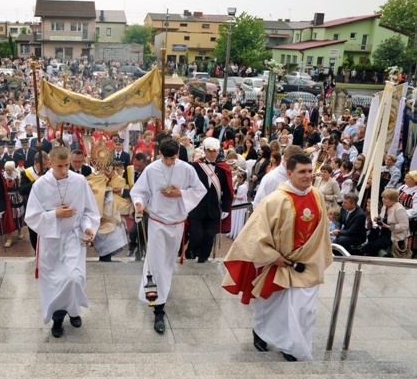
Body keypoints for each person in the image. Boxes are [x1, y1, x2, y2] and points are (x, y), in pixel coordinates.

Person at [222, 153, 333, 362]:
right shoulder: (275, 199)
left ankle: (294, 347)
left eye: (310, 171)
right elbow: (254, 233)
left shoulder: (317, 195)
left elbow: (322, 229)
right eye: (302, 172)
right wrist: (272, 256)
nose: (308, 176)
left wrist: (318, 255)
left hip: (308, 263)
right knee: (273, 305)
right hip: (279, 262)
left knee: (304, 309)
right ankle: (261, 332)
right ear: (289, 174)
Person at [130, 138, 206, 334]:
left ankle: (158, 295)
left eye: (173, 159)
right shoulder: (152, 169)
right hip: (157, 223)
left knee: (167, 264)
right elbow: (140, 192)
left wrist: (181, 193)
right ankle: (158, 310)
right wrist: (139, 203)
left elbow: (200, 190)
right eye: (166, 159)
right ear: (160, 155)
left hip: (177, 223)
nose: (170, 163)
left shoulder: (187, 169)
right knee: (156, 264)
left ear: (178, 155)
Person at [24, 147, 101, 338]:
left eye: (67, 165)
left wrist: (88, 227)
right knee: (55, 282)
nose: (65, 170)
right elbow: (32, 217)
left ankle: (73, 310)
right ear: (50, 163)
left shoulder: (79, 181)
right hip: (51, 240)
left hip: (73, 237)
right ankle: (58, 318)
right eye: (60, 166)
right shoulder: (40, 185)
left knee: (73, 278)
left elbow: (88, 212)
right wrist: (54, 214)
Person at [187, 137, 232, 263]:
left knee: (209, 235)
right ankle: (191, 250)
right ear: (204, 151)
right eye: (209, 151)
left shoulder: (223, 168)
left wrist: (226, 208)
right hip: (197, 207)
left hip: (213, 208)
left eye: (214, 151)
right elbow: (188, 186)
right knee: (196, 235)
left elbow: (227, 190)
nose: (212, 154)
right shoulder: (195, 166)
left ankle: (203, 259)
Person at [360, 189, 410, 257]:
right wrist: (378, 219)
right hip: (383, 232)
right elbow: (384, 219)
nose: (383, 200)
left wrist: (388, 226)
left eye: (385, 198)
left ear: (392, 200)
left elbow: (404, 226)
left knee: (369, 247)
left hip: (393, 235)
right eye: (383, 198)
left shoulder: (399, 209)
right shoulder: (385, 206)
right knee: (370, 238)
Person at [252, 145, 303, 210]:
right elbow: (259, 205)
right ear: (287, 160)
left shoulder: (298, 176)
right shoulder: (271, 178)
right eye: (298, 164)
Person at [19, 151, 50, 251]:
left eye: (46, 164)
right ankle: (36, 252)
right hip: (32, 208)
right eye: (43, 164)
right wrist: (36, 181)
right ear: (35, 163)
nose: (45, 167)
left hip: (48, 208)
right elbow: (22, 190)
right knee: (33, 233)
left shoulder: (50, 172)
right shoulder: (26, 173)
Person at [2, 161, 25, 247]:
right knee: (7, 217)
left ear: (13, 169)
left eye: (10, 170)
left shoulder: (18, 176)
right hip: (6, 198)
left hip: (16, 198)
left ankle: (20, 230)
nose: (8, 172)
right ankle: (9, 238)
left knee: (18, 215)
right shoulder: (3, 176)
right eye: (6, 170)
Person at [227, 169, 249, 240]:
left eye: (238, 177)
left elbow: (241, 197)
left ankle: (236, 232)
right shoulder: (242, 184)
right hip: (238, 202)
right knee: (235, 217)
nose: (237, 179)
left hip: (239, 203)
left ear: (242, 178)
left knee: (237, 217)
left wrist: (233, 196)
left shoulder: (243, 187)